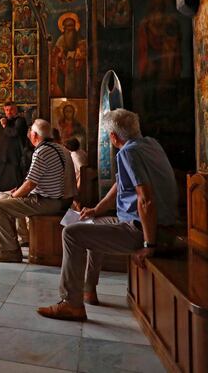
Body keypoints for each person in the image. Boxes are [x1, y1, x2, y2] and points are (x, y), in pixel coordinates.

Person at [37, 109, 178, 321]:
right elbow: (120, 185)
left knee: (71, 234)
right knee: (94, 223)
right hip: (150, 223)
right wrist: (96, 210)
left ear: (113, 137)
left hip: (146, 229)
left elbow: (145, 200)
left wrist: (150, 246)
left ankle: (70, 304)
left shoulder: (128, 153)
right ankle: (88, 290)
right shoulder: (150, 144)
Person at [0, 119, 75, 263]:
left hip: (50, 202)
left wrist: (13, 196)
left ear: (35, 135)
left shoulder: (42, 151)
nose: (28, 134)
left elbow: (30, 184)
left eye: (30, 132)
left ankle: (10, 251)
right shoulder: (60, 148)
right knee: (7, 199)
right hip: (63, 199)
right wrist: (16, 194)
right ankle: (21, 240)